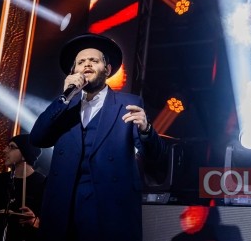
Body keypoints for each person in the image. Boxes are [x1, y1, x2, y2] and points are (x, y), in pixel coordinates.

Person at [30, 32, 167, 241]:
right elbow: (37, 138)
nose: (87, 64)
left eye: (94, 60)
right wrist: (63, 98)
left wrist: (146, 130)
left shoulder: (128, 103)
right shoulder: (64, 106)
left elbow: (155, 157)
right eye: (80, 62)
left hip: (109, 209)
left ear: (107, 69)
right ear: (73, 72)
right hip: (64, 207)